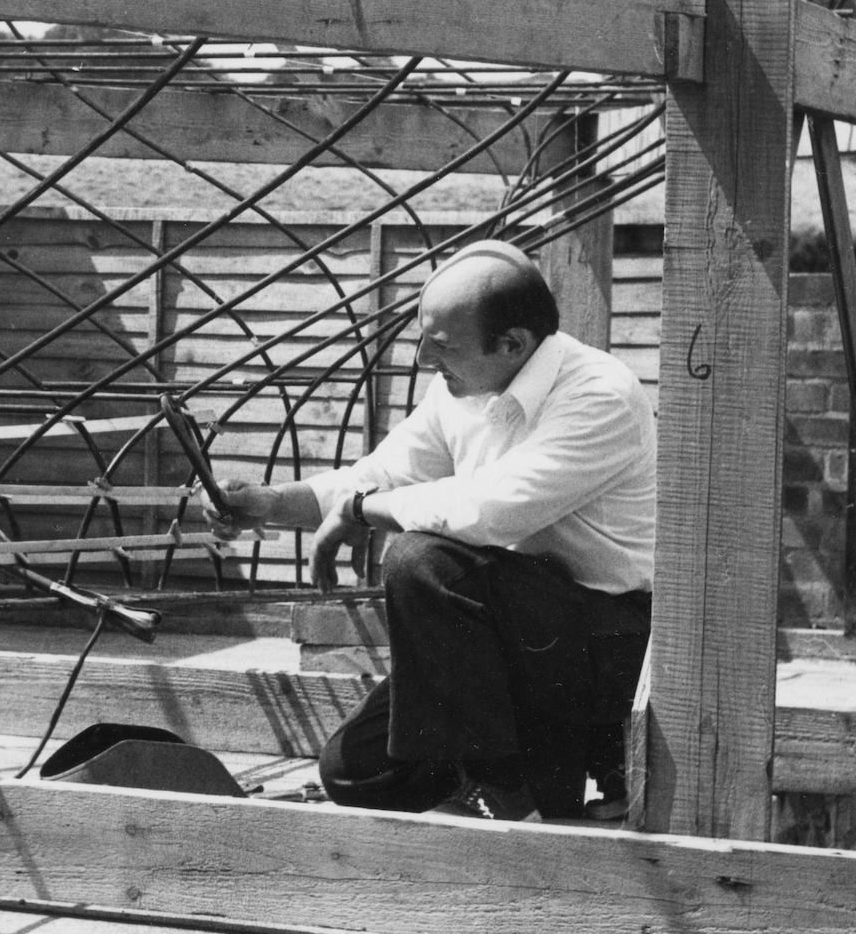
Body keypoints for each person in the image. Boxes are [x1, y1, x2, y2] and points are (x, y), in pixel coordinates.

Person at [201, 240, 655, 822]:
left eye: (439, 346)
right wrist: (266, 504)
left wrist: (363, 511)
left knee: (422, 561)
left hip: (600, 647)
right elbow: (383, 475)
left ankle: (508, 789)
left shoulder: (601, 396)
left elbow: (487, 512)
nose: (421, 361)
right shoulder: (466, 383)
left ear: (513, 344)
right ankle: (533, 773)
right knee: (354, 769)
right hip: (514, 639)